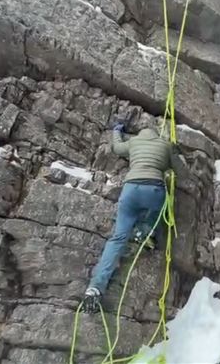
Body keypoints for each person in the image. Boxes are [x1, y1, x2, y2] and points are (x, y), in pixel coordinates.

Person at [83, 123, 181, 313]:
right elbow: (175, 168)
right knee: (157, 214)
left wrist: (116, 132)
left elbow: (117, 148)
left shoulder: (134, 141)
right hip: (154, 188)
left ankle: (95, 287)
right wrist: (173, 151)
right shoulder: (165, 144)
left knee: (118, 238)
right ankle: (145, 234)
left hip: (131, 190)